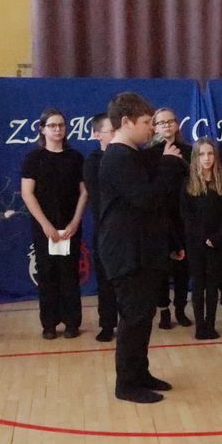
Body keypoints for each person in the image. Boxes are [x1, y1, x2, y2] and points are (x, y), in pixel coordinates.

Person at [98, 92, 186, 404]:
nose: (152, 128)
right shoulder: (118, 157)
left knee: (143, 315)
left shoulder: (132, 155)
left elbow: (154, 211)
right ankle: (126, 384)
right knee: (134, 318)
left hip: (142, 248)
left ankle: (140, 373)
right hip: (126, 251)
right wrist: (169, 166)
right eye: (147, 122)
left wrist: (171, 242)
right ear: (126, 122)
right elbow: (148, 199)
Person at [20, 108, 88, 339]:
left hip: (70, 227)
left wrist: (75, 221)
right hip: (44, 228)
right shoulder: (33, 158)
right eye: (52, 125)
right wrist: (45, 225)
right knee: (47, 274)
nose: (57, 129)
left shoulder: (75, 157)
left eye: (61, 125)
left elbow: (84, 192)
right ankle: (49, 324)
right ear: (42, 129)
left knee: (69, 274)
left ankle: (72, 322)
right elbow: (27, 193)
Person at [181, 138, 222, 340]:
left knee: (212, 285)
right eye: (202, 154)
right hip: (196, 243)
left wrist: (216, 237)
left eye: (210, 154)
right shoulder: (188, 184)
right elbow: (187, 216)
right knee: (198, 285)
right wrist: (202, 238)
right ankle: (200, 326)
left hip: (216, 243)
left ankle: (210, 324)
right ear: (195, 158)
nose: (207, 158)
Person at [151, 107, 193, 330]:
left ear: (177, 124)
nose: (166, 125)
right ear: (155, 127)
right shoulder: (149, 154)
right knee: (160, 269)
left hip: (183, 215)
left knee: (182, 269)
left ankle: (180, 308)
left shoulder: (189, 151)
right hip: (159, 217)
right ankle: (163, 310)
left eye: (170, 121)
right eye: (161, 122)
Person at [83, 112, 118, 342]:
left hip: (128, 231)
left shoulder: (129, 156)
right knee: (105, 281)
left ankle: (129, 322)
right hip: (105, 229)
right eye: (110, 130)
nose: (115, 134)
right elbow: (98, 198)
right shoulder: (92, 162)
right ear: (97, 134)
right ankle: (107, 324)